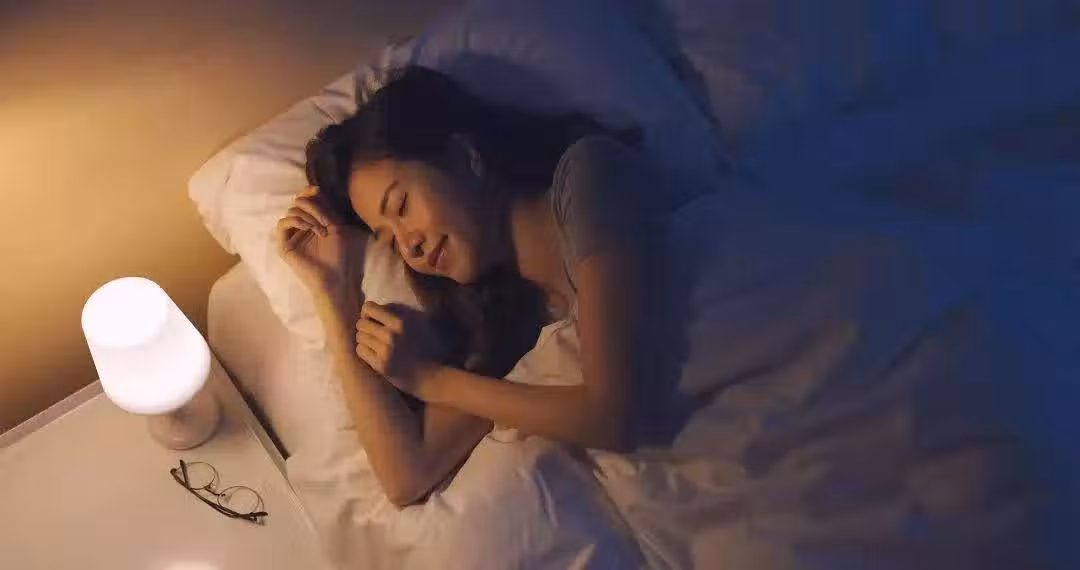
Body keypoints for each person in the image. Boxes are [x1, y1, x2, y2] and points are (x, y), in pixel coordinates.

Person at [276, 66, 665, 506]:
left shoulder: (588, 175)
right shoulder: (513, 322)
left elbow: (615, 417)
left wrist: (432, 380)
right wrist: (333, 295)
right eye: (389, 239)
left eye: (401, 206)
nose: (409, 245)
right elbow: (406, 477)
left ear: (465, 158)